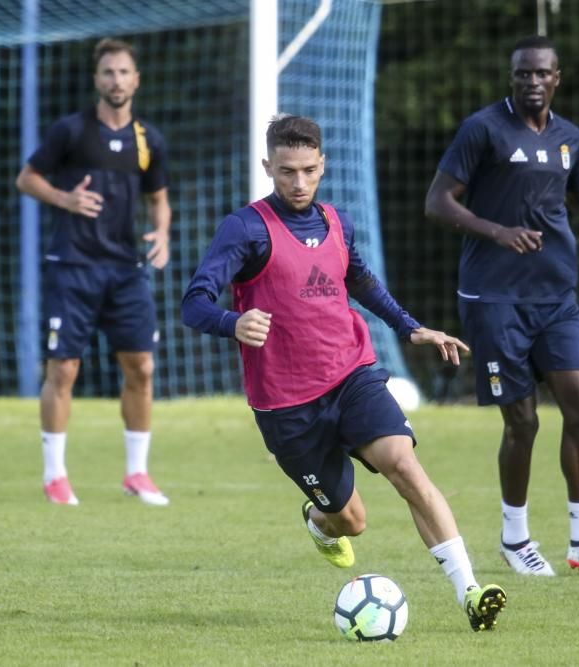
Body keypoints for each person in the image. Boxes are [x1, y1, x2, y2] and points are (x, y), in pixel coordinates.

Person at [182, 114, 506, 631]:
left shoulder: (338, 222)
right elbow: (193, 303)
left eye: (309, 170)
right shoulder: (245, 229)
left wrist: (409, 327)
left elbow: (360, 280)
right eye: (286, 171)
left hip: (351, 376)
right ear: (268, 166)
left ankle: (470, 590)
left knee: (404, 464)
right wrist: (232, 321)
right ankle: (320, 521)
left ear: (323, 165)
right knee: (351, 520)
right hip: (286, 405)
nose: (299, 182)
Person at [424, 35, 579, 577]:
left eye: (542, 73)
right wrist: (497, 232)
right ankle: (515, 539)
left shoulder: (568, 137)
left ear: (557, 77)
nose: (532, 81)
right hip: (494, 297)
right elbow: (437, 201)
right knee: (523, 422)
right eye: (522, 74)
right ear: (512, 79)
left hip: (555, 294)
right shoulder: (482, 129)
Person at [16, 38, 172, 507]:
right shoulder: (71, 132)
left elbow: (158, 200)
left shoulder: (149, 140)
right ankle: (55, 476)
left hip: (125, 272)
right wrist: (65, 198)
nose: (116, 80)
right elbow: (27, 178)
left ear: (136, 79)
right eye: (108, 73)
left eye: (124, 72)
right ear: (96, 80)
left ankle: (137, 473)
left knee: (141, 368)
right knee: (63, 368)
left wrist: (162, 233)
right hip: (73, 268)